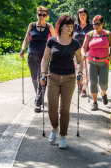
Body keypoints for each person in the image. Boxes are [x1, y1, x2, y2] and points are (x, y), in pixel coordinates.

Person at [40, 15, 83, 149]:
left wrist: (80, 73)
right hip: (52, 77)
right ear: (60, 26)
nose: (69, 28)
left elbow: (80, 61)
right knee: (51, 108)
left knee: (64, 109)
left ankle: (63, 136)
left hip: (69, 79)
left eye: (71, 26)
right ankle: (54, 128)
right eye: (67, 26)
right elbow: (45, 59)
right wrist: (43, 74)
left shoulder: (74, 43)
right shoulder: (52, 41)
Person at [20, 6, 56, 113]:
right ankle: (39, 95)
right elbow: (26, 40)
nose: (41, 16)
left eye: (44, 15)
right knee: (34, 78)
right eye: (39, 14)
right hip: (32, 55)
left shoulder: (49, 27)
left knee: (42, 77)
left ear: (47, 16)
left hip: (44, 56)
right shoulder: (31, 26)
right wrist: (23, 49)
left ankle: (38, 103)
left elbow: (54, 41)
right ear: (37, 15)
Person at [81, 15, 111, 111]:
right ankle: (95, 102)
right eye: (94, 24)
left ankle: (104, 94)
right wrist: (84, 54)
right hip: (91, 61)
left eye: (98, 24)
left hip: (104, 62)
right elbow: (83, 48)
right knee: (93, 82)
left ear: (102, 24)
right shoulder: (89, 35)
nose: (95, 26)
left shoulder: (108, 34)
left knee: (103, 83)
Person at [73, 8, 94, 97]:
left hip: (88, 51)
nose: (82, 16)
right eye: (80, 14)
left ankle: (84, 89)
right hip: (76, 52)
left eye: (84, 14)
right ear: (78, 16)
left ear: (87, 15)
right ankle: (80, 85)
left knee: (86, 71)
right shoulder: (74, 26)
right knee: (77, 70)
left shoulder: (91, 26)